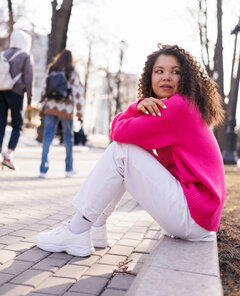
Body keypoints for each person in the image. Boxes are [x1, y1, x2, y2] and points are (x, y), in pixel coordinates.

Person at [36, 44, 226, 257]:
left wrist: (135, 107)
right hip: (199, 216)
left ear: (187, 78)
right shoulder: (184, 106)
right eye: (159, 71)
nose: (166, 77)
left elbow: (118, 133)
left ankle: (76, 229)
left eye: (176, 72)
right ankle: (97, 227)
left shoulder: (177, 107)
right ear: (149, 77)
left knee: (122, 151)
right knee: (128, 155)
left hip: (193, 215)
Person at [39, 49, 84, 178]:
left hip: (50, 106)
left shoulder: (51, 68)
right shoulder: (72, 71)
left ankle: (43, 169)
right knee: (68, 137)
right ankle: (69, 169)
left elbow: (44, 88)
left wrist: (43, 103)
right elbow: (78, 92)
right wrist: (80, 111)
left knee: (47, 137)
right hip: (66, 107)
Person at [0, 29, 33, 170]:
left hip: (1, 91)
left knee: (0, 123)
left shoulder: (4, 54)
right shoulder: (25, 56)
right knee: (17, 124)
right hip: (16, 93)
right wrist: (30, 99)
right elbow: (29, 78)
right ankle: (8, 155)